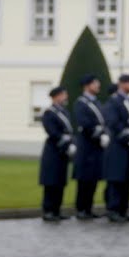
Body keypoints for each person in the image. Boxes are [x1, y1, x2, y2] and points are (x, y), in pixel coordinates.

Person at [102, 75, 129, 222]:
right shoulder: (113, 101)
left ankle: (124, 210)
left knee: (126, 179)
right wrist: (128, 135)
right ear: (121, 84)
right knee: (116, 179)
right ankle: (113, 210)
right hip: (117, 146)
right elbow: (113, 123)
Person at [72, 74, 108, 219]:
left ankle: (89, 208)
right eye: (95, 83)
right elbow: (85, 123)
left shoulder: (96, 103)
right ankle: (81, 208)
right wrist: (99, 134)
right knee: (84, 180)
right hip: (87, 146)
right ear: (87, 86)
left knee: (93, 179)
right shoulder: (81, 103)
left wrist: (104, 133)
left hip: (96, 147)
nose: (98, 85)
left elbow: (103, 120)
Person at [38, 86, 74, 221]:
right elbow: (53, 132)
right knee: (51, 183)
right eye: (64, 95)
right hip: (53, 151)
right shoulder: (49, 113)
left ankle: (57, 210)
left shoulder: (64, 112)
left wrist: (71, 144)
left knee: (60, 182)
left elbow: (69, 131)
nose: (66, 97)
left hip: (63, 152)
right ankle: (48, 210)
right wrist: (65, 143)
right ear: (56, 97)